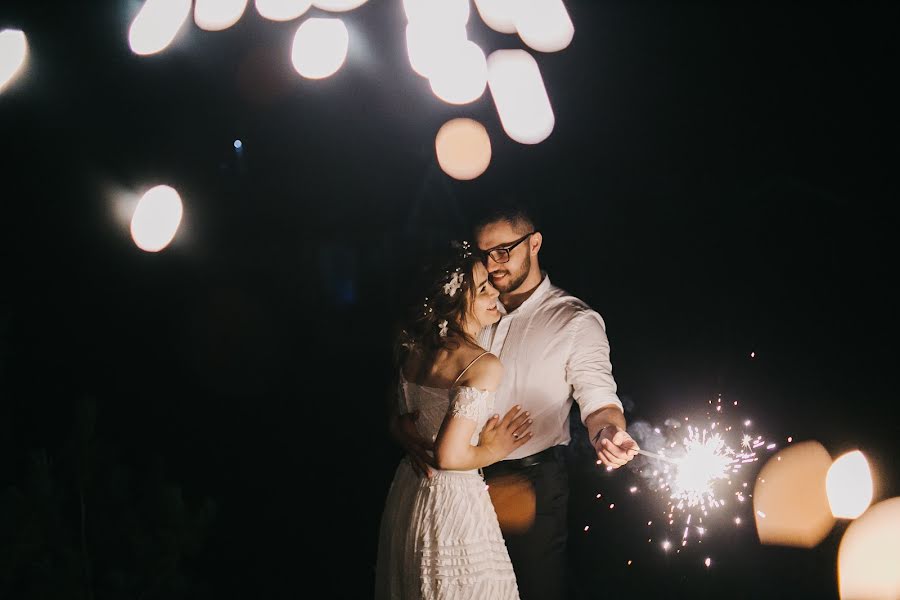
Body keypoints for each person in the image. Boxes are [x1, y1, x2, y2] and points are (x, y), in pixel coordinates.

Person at [395, 203, 641, 599]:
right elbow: (421, 381)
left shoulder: (574, 320)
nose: (493, 264)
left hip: (528, 483)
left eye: (503, 251)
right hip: (458, 485)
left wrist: (609, 431)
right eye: (483, 254)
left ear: (535, 243)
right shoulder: (469, 309)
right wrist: (404, 427)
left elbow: (598, 400)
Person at [375, 242, 533, 599]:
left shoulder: (413, 347)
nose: (496, 292)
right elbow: (448, 457)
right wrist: (495, 448)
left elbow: (397, 406)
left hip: (408, 493)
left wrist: (398, 428)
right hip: (452, 501)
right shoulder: (482, 364)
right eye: (482, 289)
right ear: (451, 302)